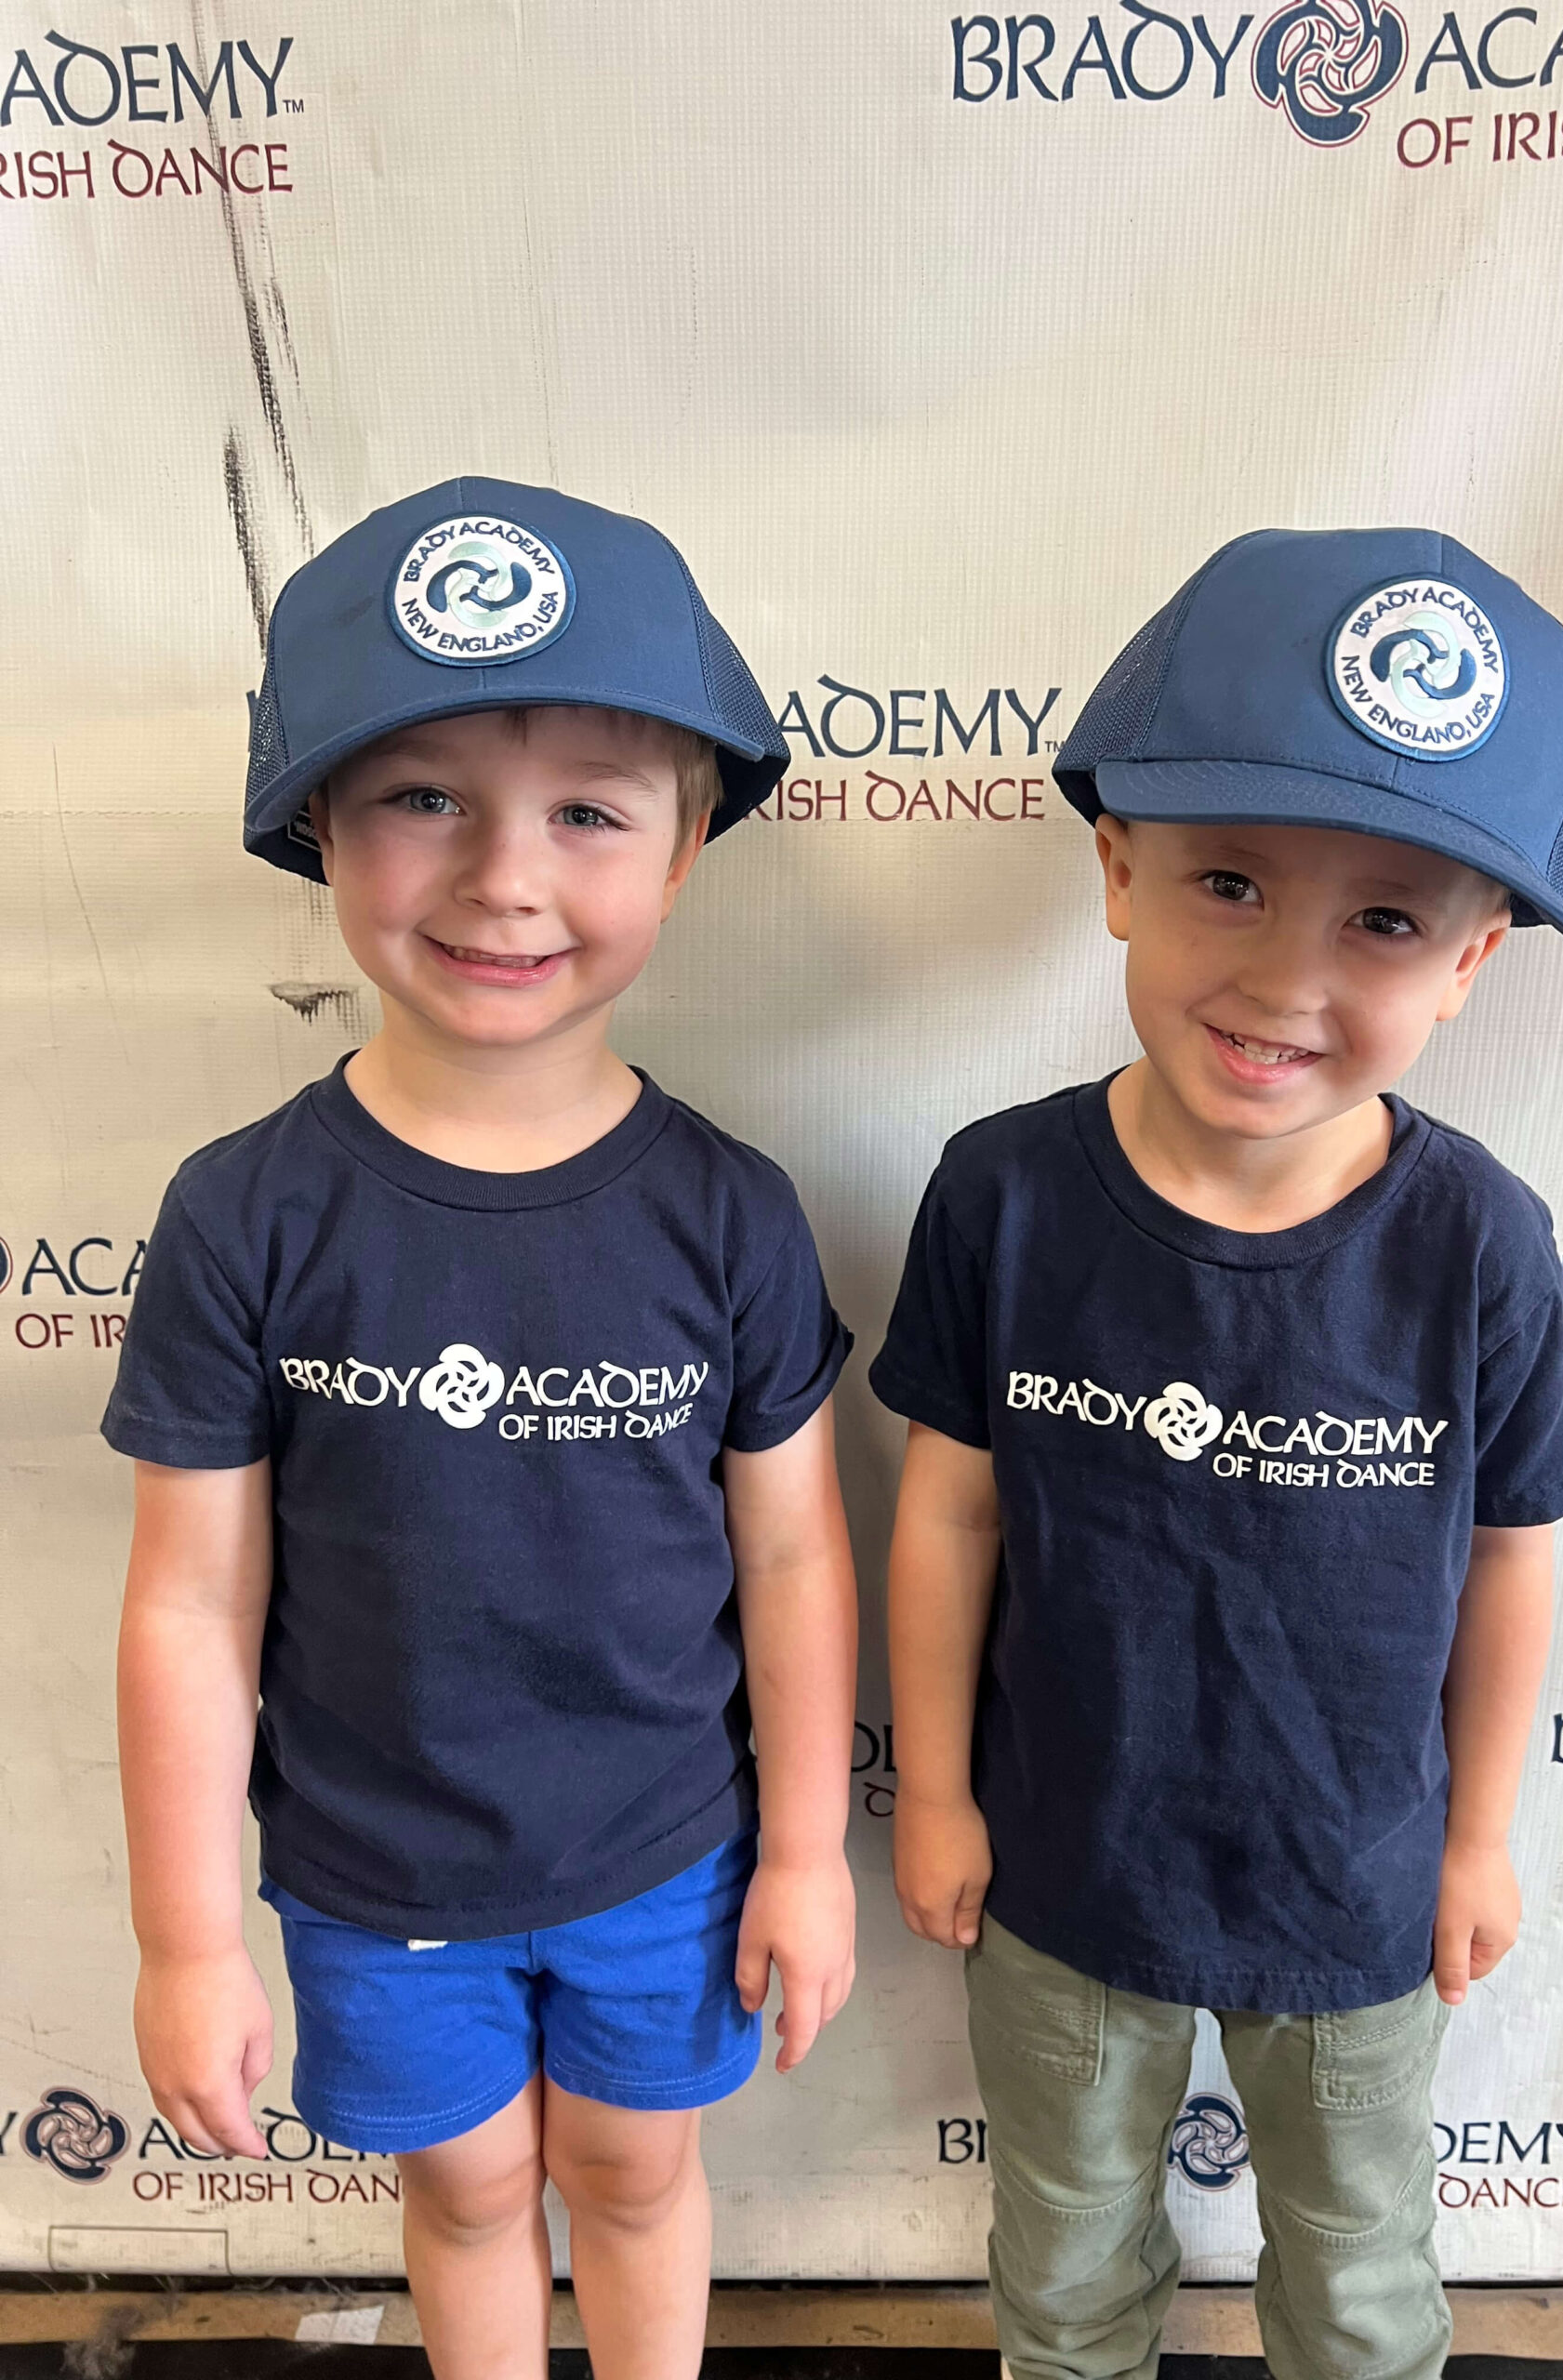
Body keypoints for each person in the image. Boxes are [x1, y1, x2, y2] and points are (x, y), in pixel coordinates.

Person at [105, 480, 858, 2380]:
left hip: (666, 1855)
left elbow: (789, 1549)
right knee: (461, 2191)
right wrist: (188, 1936)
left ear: (684, 851)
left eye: (590, 810)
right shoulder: (245, 1210)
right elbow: (190, 1604)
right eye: (423, 796)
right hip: (375, 1874)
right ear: (320, 831)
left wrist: (809, 1848)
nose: (506, 878)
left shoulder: (730, 1213)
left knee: (629, 2169)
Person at [872, 527, 1563, 2380]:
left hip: (1355, 1879)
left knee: (1359, 2288)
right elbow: (949, 1506)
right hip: (1060, 1863)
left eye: (1383, 918)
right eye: (1229, 877)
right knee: (1062, 2271)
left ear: (1471, 962)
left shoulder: (1480, 1243)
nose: (1286, 975)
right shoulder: (1005, 1192)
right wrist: (941, 1790)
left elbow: (1513, 1546)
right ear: (1116, 865)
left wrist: (1482, 1831)